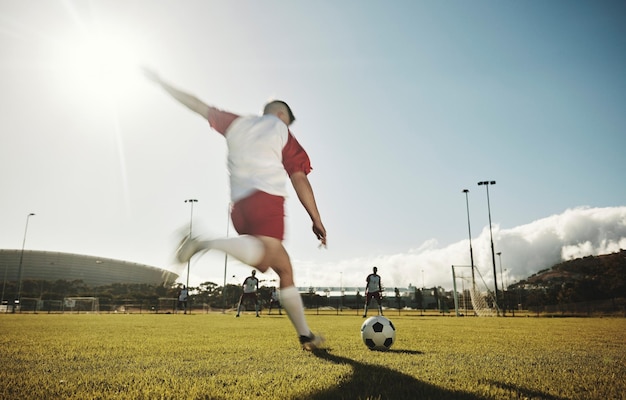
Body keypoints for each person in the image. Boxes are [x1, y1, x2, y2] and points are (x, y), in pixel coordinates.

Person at [144, 69, 327, 350]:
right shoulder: (281, 131)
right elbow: (299, 177)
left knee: (284, 269)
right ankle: (204, 241)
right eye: (289, 121)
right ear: (281, 116)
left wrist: (161, 83)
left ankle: (306, 336)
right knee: (268, 255)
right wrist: (316, 219)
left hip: (240, 208)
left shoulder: (236, 123)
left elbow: (197, 105)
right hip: (267, 200)